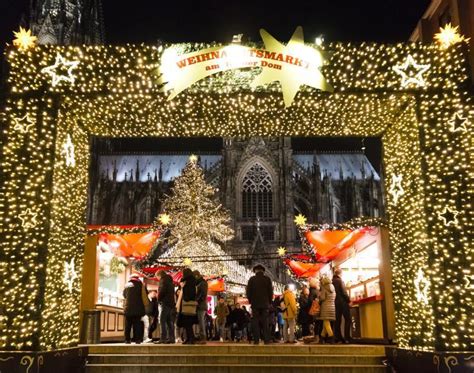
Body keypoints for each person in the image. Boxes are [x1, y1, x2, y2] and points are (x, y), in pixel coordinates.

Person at [246, 263, 273, 345]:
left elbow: (248, 292)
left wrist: (251, 301)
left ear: (255, 271)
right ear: (263, 271)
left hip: (255, 304)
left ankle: (256, 340)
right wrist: (269, 302)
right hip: (265, 304)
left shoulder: (252, 279)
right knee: (265, 321)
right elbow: (270, 292)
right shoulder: (267, 279)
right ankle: (266, 340)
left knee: (255, 322)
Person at [177, 268, 197, 344]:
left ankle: (191, 338)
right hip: (186, 305)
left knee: (187, 323)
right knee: (187, 323)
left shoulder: (189, 282)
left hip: (187, 304)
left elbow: (189, 293)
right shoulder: (190, 281)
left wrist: (185, 297)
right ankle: (189, 338)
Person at [123, 274, 145, 344]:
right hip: (138, 308)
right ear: (138, 278)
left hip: (128, 308)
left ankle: (127, 340)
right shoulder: (141, 285)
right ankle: (137, 340)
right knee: (137, 324)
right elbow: (145, 295)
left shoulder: (127, 285)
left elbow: (124, 295)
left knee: (128, 325)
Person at [332, 268, 352, 343]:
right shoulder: (340, 281)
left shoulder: (332, 281)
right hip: (342, 303)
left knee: (337, 321)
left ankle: (338, 338)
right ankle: (347, 337)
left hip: (335, 303)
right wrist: (349, 301)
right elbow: (344, 292)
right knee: (348, 319)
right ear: (340, 274)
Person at [156, 270, 175, 344]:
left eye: (157, 277)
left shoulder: (163, 280)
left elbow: (161, 291)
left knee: (162, 320)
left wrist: (158, 299)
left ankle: (163, 338)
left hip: (165, 303)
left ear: (159, 275)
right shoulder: (170, 281)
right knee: (169, 321)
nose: (157, 279)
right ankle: (171, 338)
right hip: (170, 303)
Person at [318, 275, 336, 344]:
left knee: (326, 323)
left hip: (325, 307)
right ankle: (322, 338)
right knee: (325, 323)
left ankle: (331, 337)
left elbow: (322, 298)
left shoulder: (324, 288)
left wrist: (319, 297)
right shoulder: (333, 288)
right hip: (332, 307)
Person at [194, 270, 208, 344]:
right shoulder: (200, 283)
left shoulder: (202, 283)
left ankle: (203, 337)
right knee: (200, 322)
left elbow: (203, 294)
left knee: (201, 321)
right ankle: (200, 336)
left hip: (201, 305)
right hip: (200, 305)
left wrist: (197, 301)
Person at [308, 277, 322, 342]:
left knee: (317, 323)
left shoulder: (312, 290)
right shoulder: (314, 291)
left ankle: (317, 337)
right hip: (316, 309)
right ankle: (317, 337)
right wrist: (316, 300)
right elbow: (311, 300)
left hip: (315, 309)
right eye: (317, 283)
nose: (318, 284)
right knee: (317, 323)